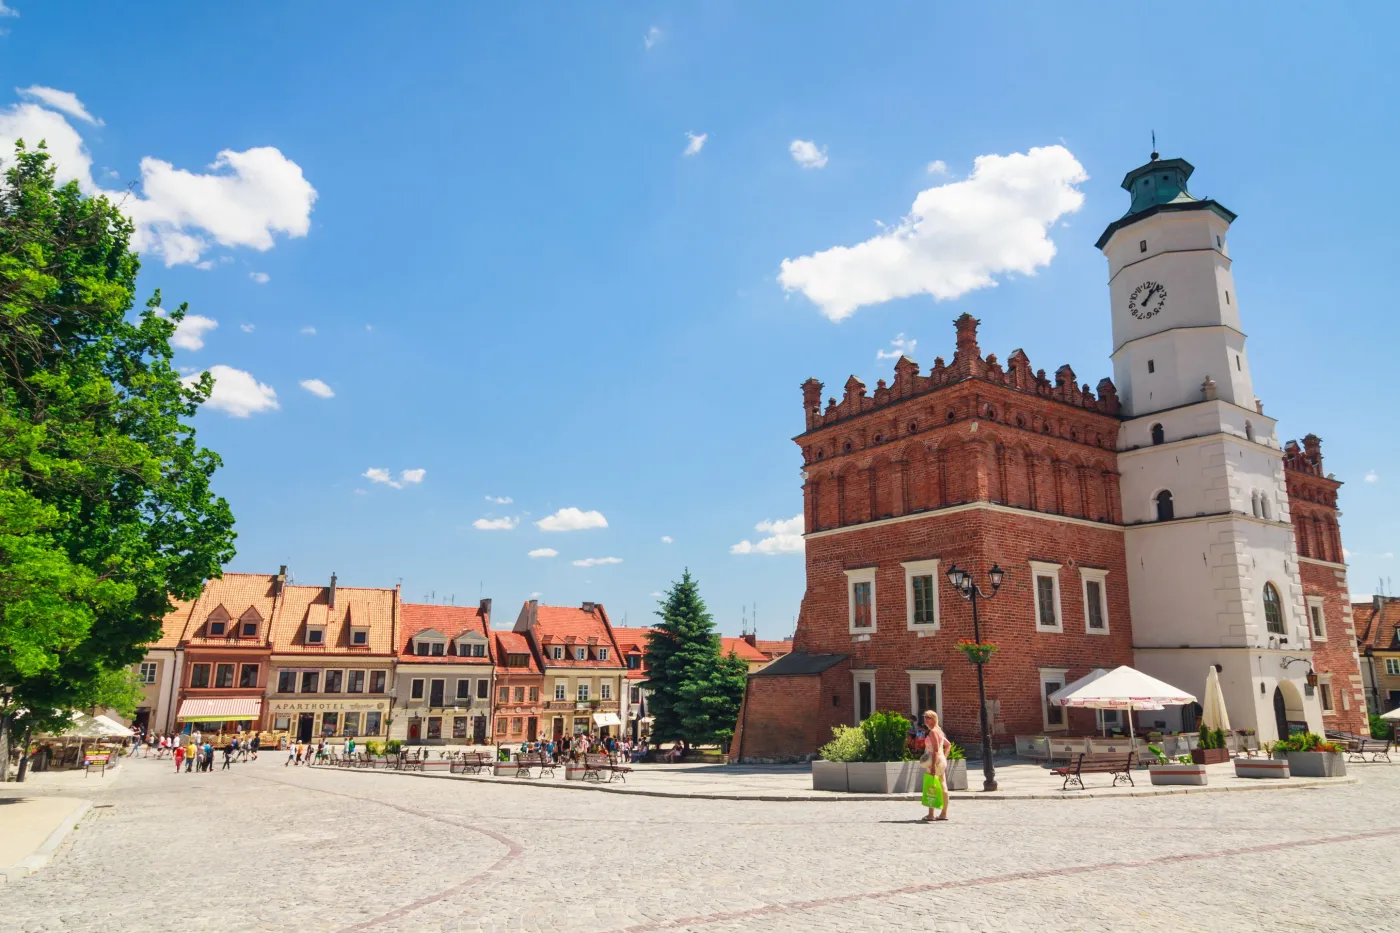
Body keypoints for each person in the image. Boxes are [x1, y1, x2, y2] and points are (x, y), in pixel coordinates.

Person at [921, 710, 952, 823]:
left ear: (934, 719)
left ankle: (931, 814)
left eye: (928, 717)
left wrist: (933, 765)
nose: (925, 720)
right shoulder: (939, 731)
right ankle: (944, 813)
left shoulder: (933, 732)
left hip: (934, 761)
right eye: (925, 717)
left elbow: (934, 751)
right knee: (943, 784)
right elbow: (948, 745)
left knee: (931, 786)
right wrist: (944, 757)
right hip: (941, 760)